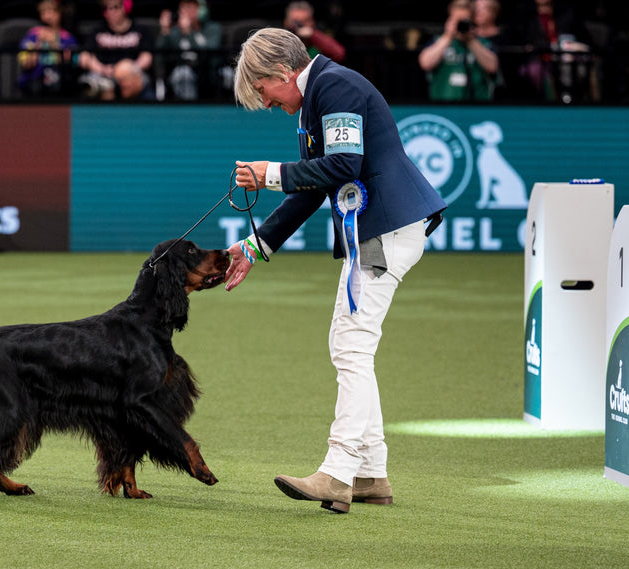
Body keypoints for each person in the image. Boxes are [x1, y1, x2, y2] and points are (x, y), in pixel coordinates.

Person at [226, 27, 447, 514]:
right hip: (380, 230)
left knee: (351, 344)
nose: (264, 103)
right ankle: (370, 474)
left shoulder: (335, 87)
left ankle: (338, 472)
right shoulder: (318, 95)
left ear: (281, 73)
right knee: (350, 345)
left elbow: (345, 164)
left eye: (261, 91)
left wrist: (269, 173)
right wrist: (256, 244)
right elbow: (313, 187)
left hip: (387, 229)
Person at [418, 0, 499, 101]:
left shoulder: (484, 43)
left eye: (464, 21)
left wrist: (471, 40)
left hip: (477, 107)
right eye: (456, 20)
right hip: (442, 106)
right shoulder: (439, 41)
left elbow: (492, 66)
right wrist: (448, 36)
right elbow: (425, 63)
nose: (460, 25)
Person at [77, 0, 154, 100]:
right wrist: (102, 69)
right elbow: (84, 58)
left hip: (130, 72)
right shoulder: (97, 30)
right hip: (103, 73)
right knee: (95, 84)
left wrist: (127, 69)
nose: (110, 12)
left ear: (125, 8)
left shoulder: (140, 30)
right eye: (106, 8)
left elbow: (147, 58)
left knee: (138, 82)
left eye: (115, 7)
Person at [157, 0, 221, 100]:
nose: (187, 12)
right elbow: (159, 55)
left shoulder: (213, 29)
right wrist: (165, 31)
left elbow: (208, 54)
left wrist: (189, 33)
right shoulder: (174, 32)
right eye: (184, 8)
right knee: (183, 73)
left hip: (206, 72)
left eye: (191, 7)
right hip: (181, 72)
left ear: (199, 10)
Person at [17, 0, 78, 97]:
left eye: (51, 12)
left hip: (59, 80)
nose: (47, 17)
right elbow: (26, 64)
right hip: (34, 80)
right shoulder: (32, 35)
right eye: (43, 13)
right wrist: (38, 43)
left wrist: (54, 44)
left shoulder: (67, 38)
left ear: (59, 14)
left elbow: (68, 64)